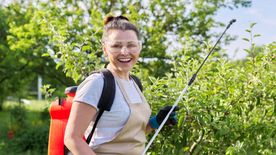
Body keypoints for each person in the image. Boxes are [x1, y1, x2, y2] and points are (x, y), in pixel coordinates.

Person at [64, 15, 179, 155]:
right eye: (116, 46)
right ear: (105, 49)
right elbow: (72, 138)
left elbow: (130, 136)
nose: (124, 52)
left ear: (139, 47)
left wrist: (155, 122)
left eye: (131, 45)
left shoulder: (135, 83)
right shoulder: (97, 83)